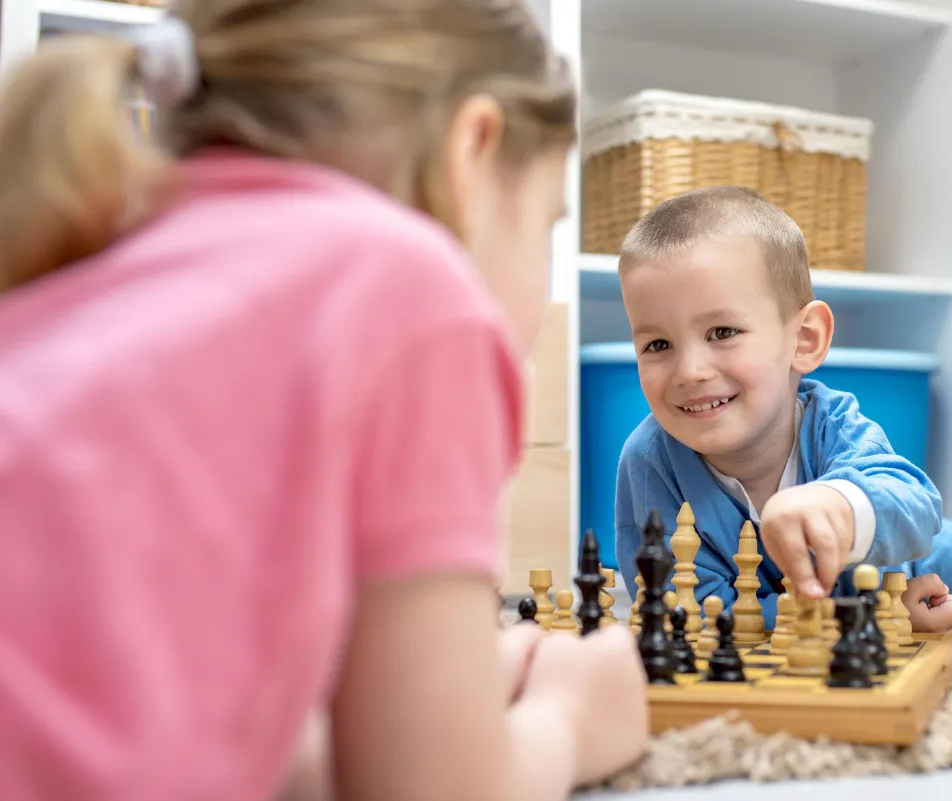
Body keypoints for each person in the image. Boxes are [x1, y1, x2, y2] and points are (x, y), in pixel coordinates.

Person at [0, 3, 648, 801]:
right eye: (546, 223)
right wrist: (573, 718)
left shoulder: (98, 258)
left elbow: (224, 743)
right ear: (471, 152)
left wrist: (439, 695)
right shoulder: (409, 284)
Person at [612, 186, 952, 633]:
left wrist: (841, 505)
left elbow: (916, 505)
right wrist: (877, 617)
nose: (689, 371)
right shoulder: (649, 461)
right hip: (851, 604)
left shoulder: (831, 421)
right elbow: (693, 612)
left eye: (722, 332)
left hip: (904, 560)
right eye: (658, 344)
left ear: (804, 340)